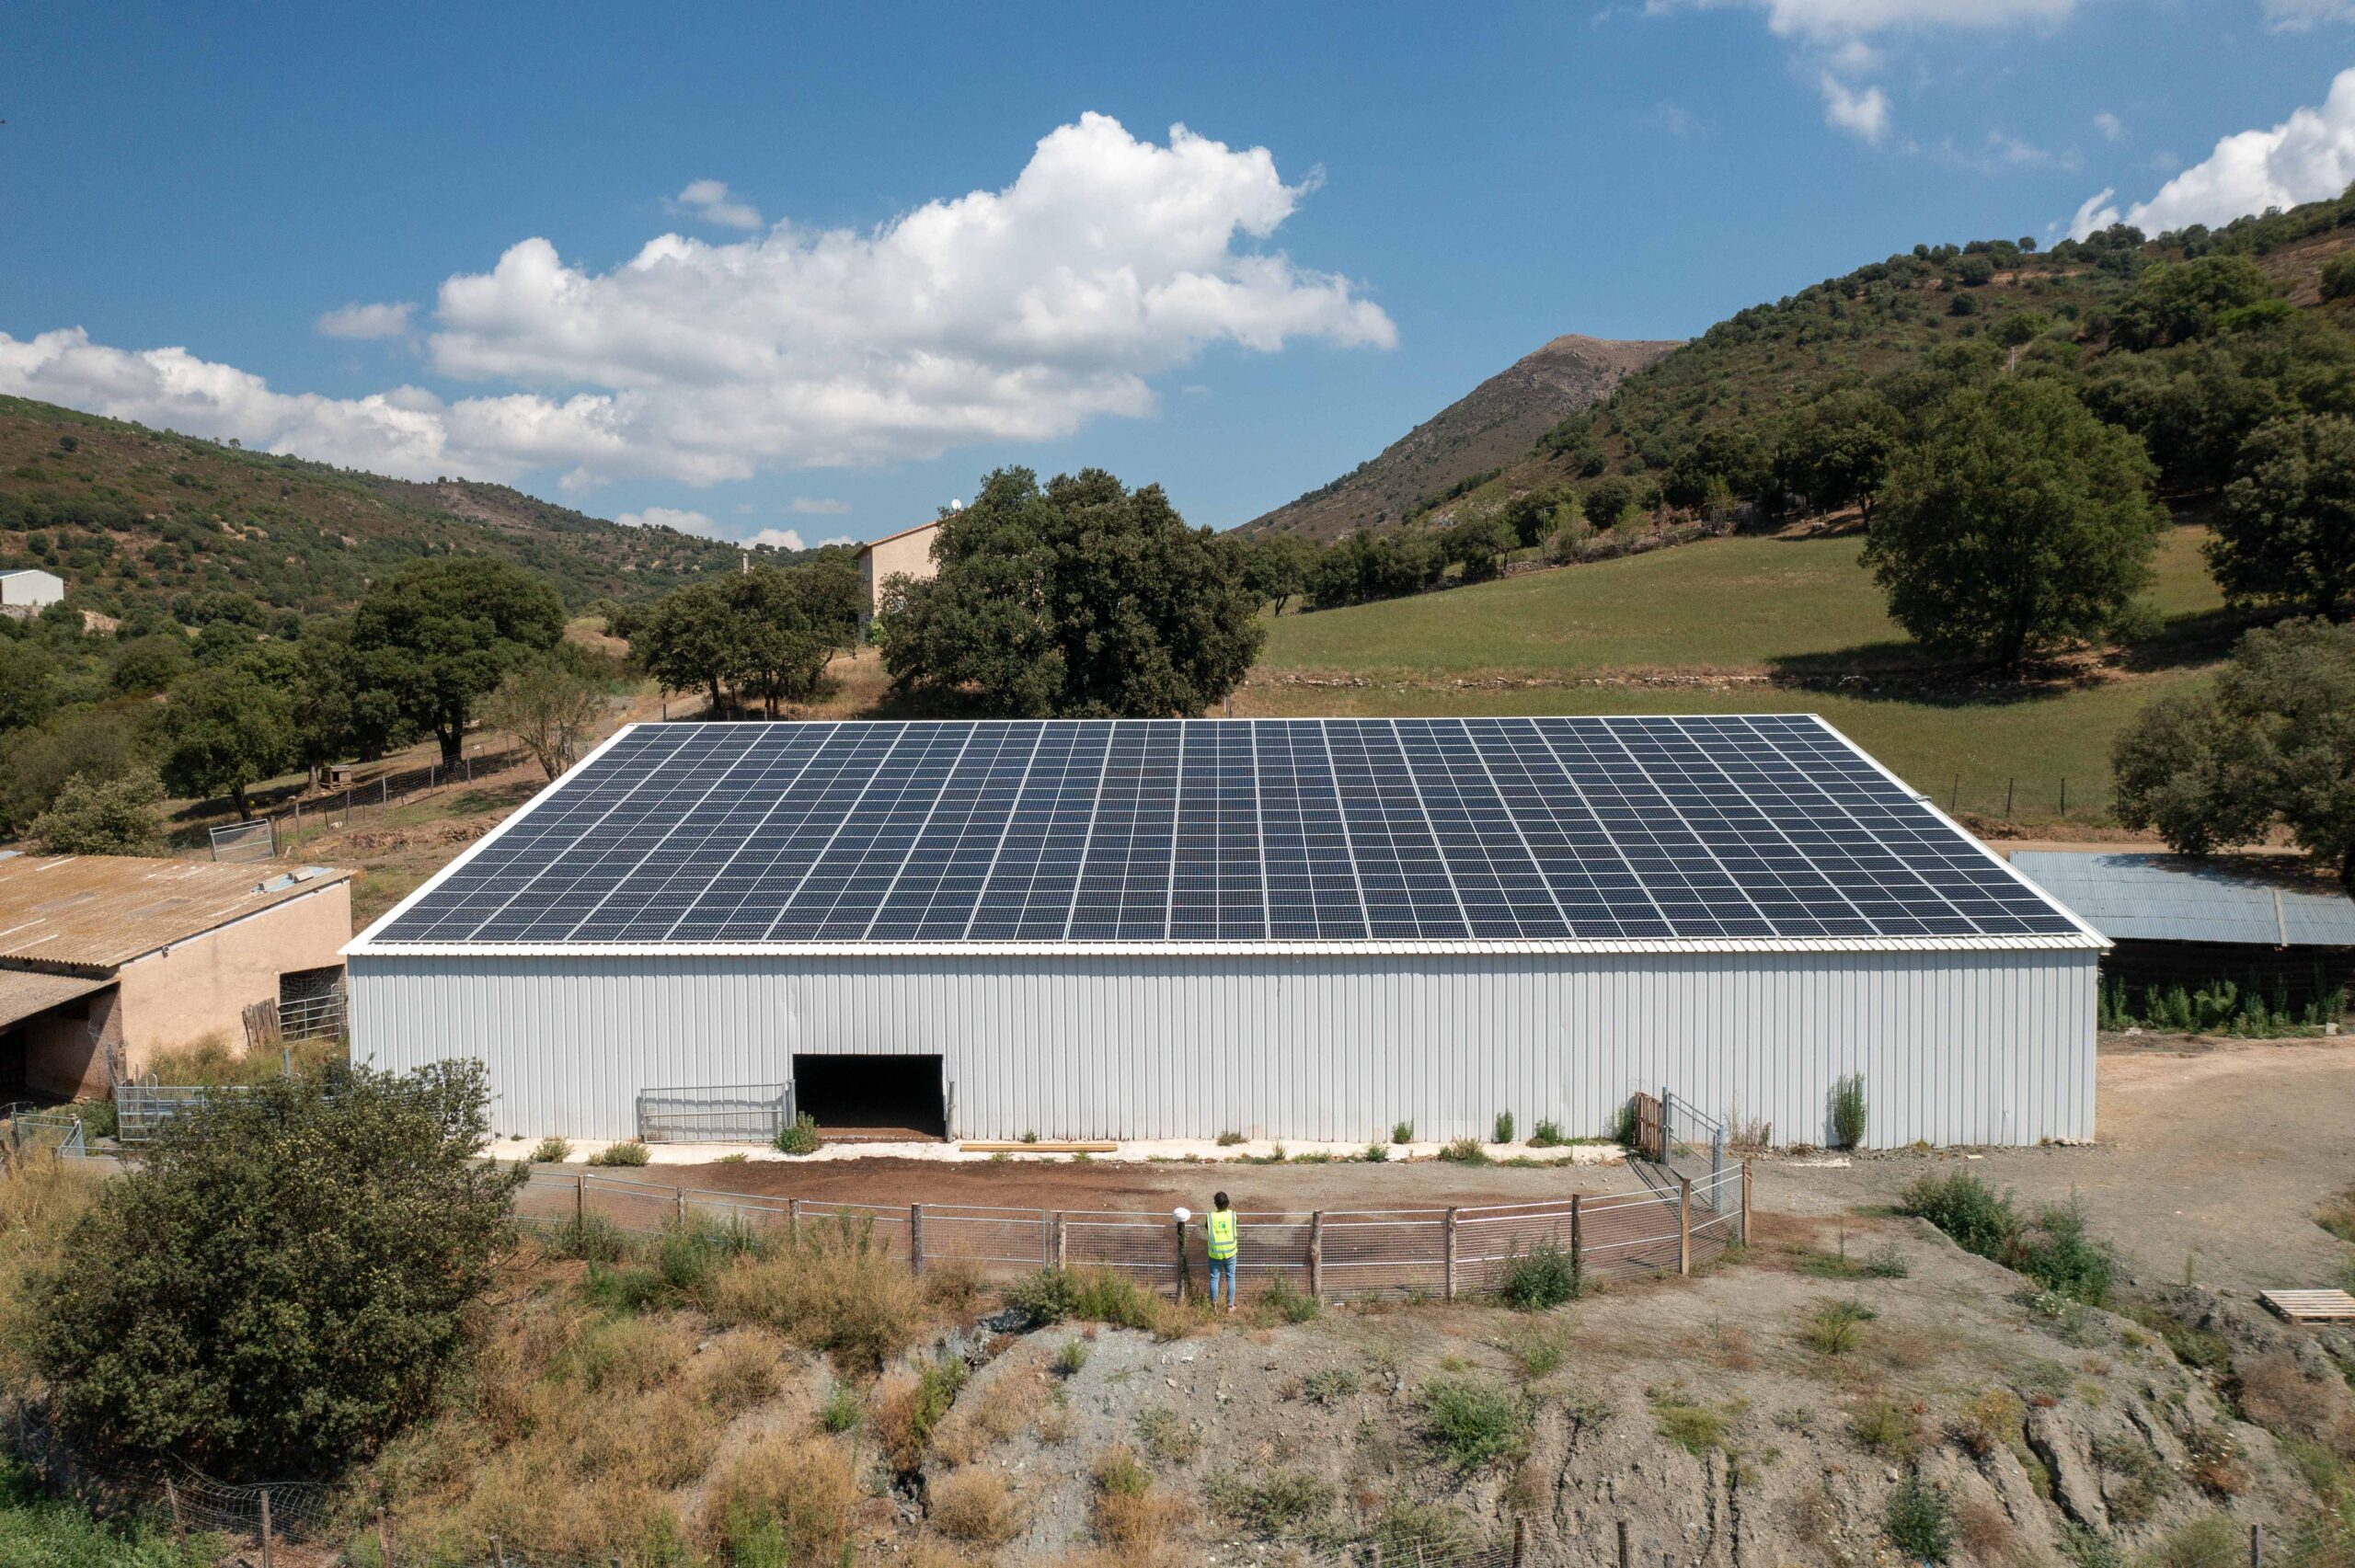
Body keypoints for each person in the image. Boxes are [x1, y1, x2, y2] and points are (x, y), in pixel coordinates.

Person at [1206, 1190, 1238, 1310]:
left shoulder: (1210, 1217)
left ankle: (1214, 1306)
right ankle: (1230, 1306)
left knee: (1214, 1278)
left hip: (1215, 1253)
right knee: (1231, 1278)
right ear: (1228, 1203)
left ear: (1215, 1204)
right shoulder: (1232, 1215)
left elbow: (1207, 1228)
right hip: (1230, 1252)